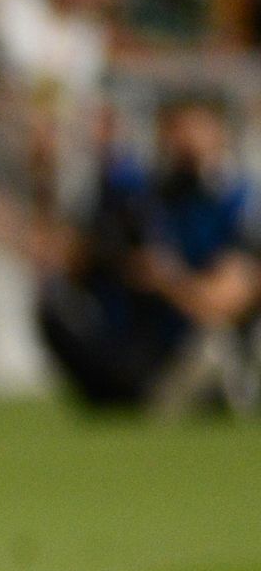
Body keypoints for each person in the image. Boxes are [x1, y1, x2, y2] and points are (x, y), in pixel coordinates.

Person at [38, 96, 261, 410]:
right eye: (174, 129)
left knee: (212, 346)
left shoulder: (241, 203)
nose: (183, 141)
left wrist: (167, 279)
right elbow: (67, 258)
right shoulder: (141, 197)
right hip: (141, 342)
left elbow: (223, 302)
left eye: (194, 130)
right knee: (56, 307)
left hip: (198, 341)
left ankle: (208, 389)